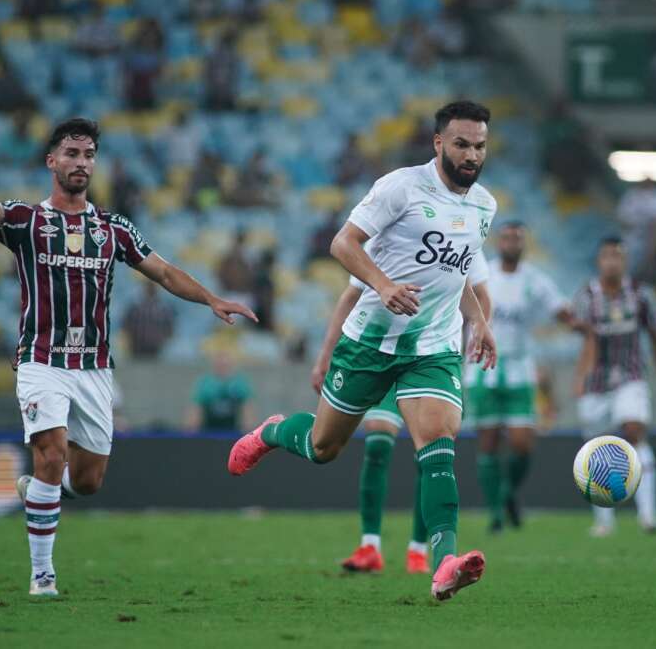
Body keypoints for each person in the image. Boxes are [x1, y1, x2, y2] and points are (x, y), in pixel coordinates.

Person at [0, 112, 256, 597]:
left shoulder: (113, 228)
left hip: (93, 368)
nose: (81, 162)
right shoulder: (27, 221)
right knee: (51, 451)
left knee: (88, 482)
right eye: (71, 153)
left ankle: (40, 491)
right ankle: (42, 575)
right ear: (52, 161)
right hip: (41, 360)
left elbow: (166, 273)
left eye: (88, 154)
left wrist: (211, 298)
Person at [228, 101, 498, 601]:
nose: (471, 154)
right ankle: (273, 431)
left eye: (479, 145)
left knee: (438, 444)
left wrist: (479, 322)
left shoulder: (484, 206)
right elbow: (343, 243)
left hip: (431, 348)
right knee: (324, 448)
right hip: (369, 343)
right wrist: (384, 283)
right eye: (461, 143)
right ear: (439, 143)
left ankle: (445, 565)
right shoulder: (401, 187)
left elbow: (456, 272)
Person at [312, 254, 491, 575]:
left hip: (429, 358)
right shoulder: (391, 230)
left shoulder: (466, 231)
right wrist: (326, 353)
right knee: (377, 442)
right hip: (380, 352)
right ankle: (370, 545)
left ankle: (419, 550)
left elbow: (477, 292)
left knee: (430, 451)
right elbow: (352, 293)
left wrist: (477, 334)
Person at [466, 221, 575, 534]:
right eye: (507, 237)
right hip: (481, 366)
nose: (512, 242)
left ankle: (507, 493)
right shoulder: (483, 274)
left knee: (522, 443)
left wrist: (580, 322)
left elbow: (561, 310)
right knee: (487, 442)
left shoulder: (535, 280)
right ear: (498, 242)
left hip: (519, 367)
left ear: (524, 243)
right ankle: (496, 513)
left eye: (517, 238)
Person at [572, 236, 656, 537]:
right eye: (607, 255)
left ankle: (649, 516)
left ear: (625, 261)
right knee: (596, 448)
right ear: (598, 261)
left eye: (618, 256)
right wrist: (579, 377)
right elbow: (585, 341)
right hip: (596, 382)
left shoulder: (641, 295)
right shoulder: (585, 296)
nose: (612, 261)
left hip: (630, 377)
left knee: (634, 432)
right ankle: (604, 520)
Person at [616, 179, 656, 277]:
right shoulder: (632, 194)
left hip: (649, 242)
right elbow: (621, 218)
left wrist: (653, 250)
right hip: (629, 241)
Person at [185, 350, 255, 432]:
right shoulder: (205, 383)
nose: (223, 367)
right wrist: (191, 431)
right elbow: (196, 409)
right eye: (220, 364)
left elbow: (247, 409)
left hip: (233, 430)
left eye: (225, 365)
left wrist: (248, 432)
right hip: (208, 430)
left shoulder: (240, 383)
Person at [122, 280, 175, 359]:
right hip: (137, 346)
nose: (151, 289)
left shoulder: (163, 309)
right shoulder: (136, 307)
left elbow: (169, 327)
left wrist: (162, 339)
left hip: (156, 347)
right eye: (149, 287)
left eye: (152, 287)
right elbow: (126, 324)